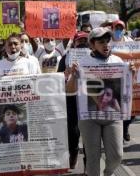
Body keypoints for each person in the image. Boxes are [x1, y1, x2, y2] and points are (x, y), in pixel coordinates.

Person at [66, 27, 135, 176]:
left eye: (108, 41)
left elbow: (126, 88)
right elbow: (69, 90)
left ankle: (108, 172)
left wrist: (131, 74)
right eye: (101, 41)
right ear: (92, 44)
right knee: (92, 158)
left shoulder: (118, 61)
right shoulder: (82, 63)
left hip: (113, 116)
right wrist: (73, 75)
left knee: (117, 155)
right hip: (89, 118)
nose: (106, 45)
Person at [57, 31, 89, 170]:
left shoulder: (94, 57)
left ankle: (89, 162)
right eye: (79, 41)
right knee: (73, 131)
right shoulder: (66, 58)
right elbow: (58, 78)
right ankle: (73, 152)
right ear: (74, 43)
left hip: (89, 98)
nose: (82, 43)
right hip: (71, 98)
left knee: (89, 132)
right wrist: (66, 73)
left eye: (85, 41)